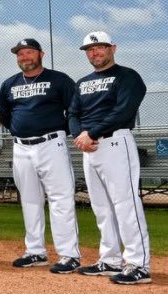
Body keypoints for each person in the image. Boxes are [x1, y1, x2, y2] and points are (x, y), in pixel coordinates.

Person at [69, 31, 151, 284]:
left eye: (100, 48)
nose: (94, 53)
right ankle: (110, 259)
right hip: (89, 147)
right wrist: (79, 136)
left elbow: (123, 110)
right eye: (90, 50)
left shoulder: (128, 76)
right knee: (101, 207)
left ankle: (139, 264)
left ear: (112, 48)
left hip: (116, 142)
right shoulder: (82, 82)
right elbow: (72, 112)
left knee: (126, 204)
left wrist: (91, 132)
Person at [0, 38, 82, 274]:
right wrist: (21, 128)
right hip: (21, 147)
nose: (24, 57)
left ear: (41, 54)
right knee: (29, 199)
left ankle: (69, 254)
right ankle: (35, 251)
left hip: (50, 144)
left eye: (29, 52)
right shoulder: (9, 84)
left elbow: (75, 109)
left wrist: (60, 128)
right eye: (20, 53)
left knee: (60, 199)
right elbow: (5, 115)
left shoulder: (59, 80)